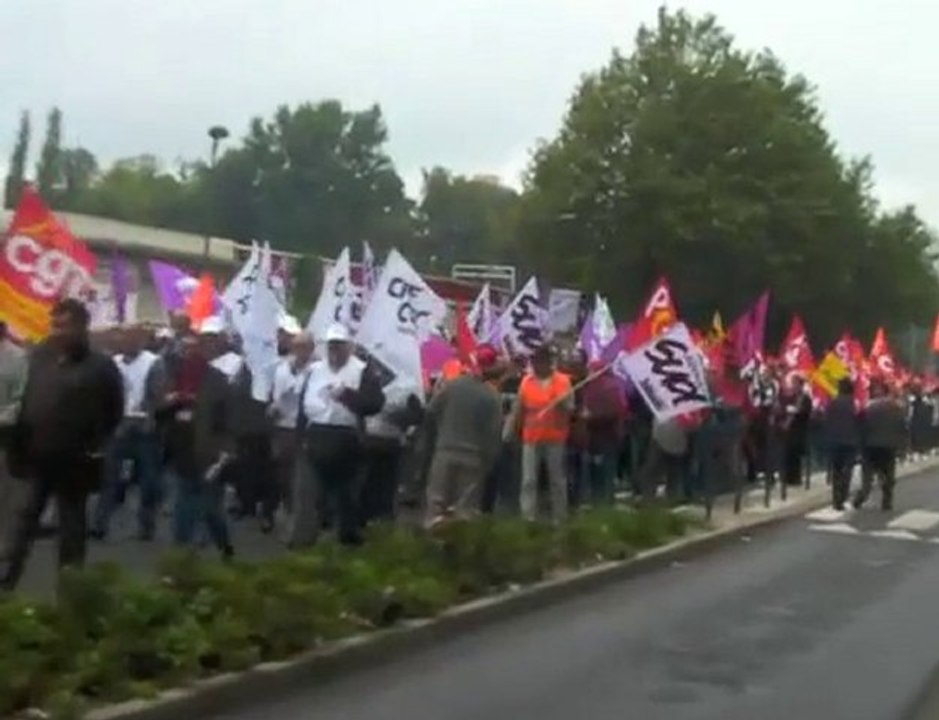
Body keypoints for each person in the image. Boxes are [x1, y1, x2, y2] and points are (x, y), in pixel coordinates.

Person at [2, 299, 124, 590]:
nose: (58, 331)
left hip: (75, 463)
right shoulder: (38, 356)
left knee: (71, 530)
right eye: (55, 325)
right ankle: (7, 584)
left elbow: (113, 411)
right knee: (20, 526)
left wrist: (93, 443)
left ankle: (71, 592)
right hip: (33, 458)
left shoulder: (100, 366)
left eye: (65, 326)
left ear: (83, 327)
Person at [293, 323, 384, 546]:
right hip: (316, 437)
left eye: (339, 345)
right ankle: (302, 542)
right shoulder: (315, 370)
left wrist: (347, 395)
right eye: (331, 345)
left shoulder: (362, 370)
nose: (335, 350)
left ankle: (345, 540)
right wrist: (299, 439)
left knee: (345, 498)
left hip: (346, 441)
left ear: (348, 347)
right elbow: (303, 408)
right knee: (307, 495)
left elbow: (374, 404)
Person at [163, 318, 234, 557]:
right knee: (184, 503)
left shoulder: (218, 380)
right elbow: (162, 411)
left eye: (197, 347)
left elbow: (226, 420)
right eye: (187, 349)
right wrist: (172, 403)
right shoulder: (176, 376)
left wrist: (225, 452)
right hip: (182, 448)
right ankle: (181, 552)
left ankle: (224, 546)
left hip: (208, 452)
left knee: (210, 507)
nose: (190, 352)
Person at [92, 324, 167, 540]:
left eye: (132, 340)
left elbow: (157, 396)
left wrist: (144, 414)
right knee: (109, 478)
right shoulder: (113, 364)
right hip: (118, 427)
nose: (127, 344)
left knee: (148, 480)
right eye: (124, 340)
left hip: (145, 429)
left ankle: (146, 525)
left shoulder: (153, 362)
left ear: (141, 342)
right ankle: (100, 524)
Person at [423, 349, 503, 525]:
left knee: (437, 504)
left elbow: (430, 411)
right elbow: (495, 434)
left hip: (445, 451)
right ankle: (461, 547)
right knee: (464, 511)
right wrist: (488, 463)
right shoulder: (493, 397)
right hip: (474, 459)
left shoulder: (453, 386)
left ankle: (433, 546)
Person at [506, 345, 573, 522]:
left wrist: (562, 403)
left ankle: (560, 517)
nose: (537, 366)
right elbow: (517, 410)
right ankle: (528, 517)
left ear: (549, 363)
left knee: (556, 480)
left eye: (541, 362)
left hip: (555, 438)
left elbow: (570, 409)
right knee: (529, 480)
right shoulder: (527, 382)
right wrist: (509, 431)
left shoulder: (562, 381)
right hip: (531, 438)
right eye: (535, 363)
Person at [269, 330, 314, 529]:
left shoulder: (316, 369)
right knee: (282, 472)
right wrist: (273, 407)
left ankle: (299, 514)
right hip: (283, 426)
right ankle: (285, 506)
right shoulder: (281, 368)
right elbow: (274, 395)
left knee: (301, 473)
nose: (300, 351)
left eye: (304, 347)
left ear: (311, 349)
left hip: (305, 428)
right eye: (297, 347)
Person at [580, 360, 627, 505]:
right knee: (599, 469)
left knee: (604, 470)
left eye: (591, 370)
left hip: (606, 435)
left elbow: (614, 410)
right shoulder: (592, 387)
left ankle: (604, 500)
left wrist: (591, 416)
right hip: (596, 436)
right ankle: (600, 499)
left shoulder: (608, 387)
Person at [856, 381, 907, 510]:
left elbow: (861, 426)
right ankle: (887, 500)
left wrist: (860, 444)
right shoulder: (896, 407)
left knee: (867, 475)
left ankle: (863, 494)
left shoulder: (868, 407)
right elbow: (902, 427)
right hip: (889, 446)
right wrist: (901, 447)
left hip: (870, 445)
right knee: (888, 474)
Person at [824, 378, 861, 510]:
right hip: (850, 441)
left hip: (834, 440)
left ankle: (836, 499)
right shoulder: (854, 403)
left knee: (836, 471)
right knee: (847, 470)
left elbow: (825, 419)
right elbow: (860, 421)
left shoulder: (832, 402)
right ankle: (842, 496)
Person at [781, 374, 813, 486]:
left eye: (795, 383)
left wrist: (796, 411)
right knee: (788, 453)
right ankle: (788, 478)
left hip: (800, 431)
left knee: (795, 454)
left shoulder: (805, 397)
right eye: (792, 383)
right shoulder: (790, 396)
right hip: (790, 430)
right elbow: (783, 408)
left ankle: (796, 478)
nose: (793, 385)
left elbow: (806, 412)